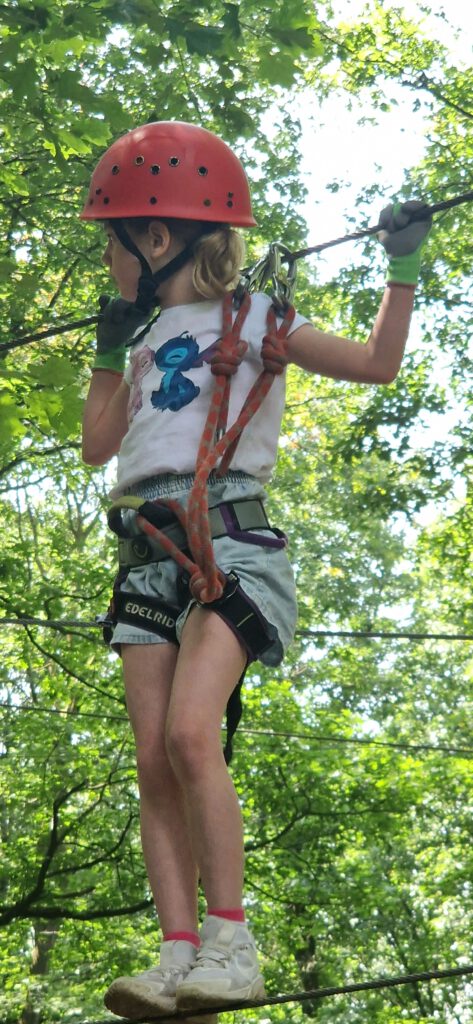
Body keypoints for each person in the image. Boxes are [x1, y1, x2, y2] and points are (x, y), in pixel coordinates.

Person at [81, 121, 431, 1020]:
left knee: (193, 735)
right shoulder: (150, 329)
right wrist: (108, 350)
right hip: (147, 552)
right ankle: (177, 952)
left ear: (156, 239)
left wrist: (402, 266)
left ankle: (232, 942)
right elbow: (94, 449)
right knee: (154, 759)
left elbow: (378, 365)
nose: (109, 261)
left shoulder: (261, 319)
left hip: (231, 543)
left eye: (113, 242)